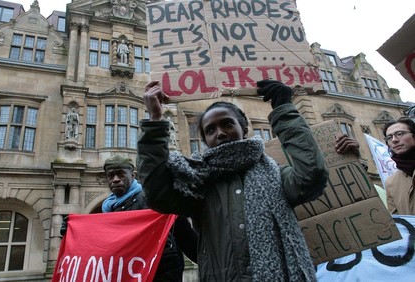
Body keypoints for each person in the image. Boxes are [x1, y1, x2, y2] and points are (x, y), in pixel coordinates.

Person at [138, 80, 329, 281]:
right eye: (210, 130)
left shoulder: (276, 174)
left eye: (227, 124)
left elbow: (312, 175)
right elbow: (157, 194)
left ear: (244, 128)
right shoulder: (198, 184)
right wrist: (155, 121)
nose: (220, 133)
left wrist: (283, 109)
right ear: (206, 141)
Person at [61, 155, 198, 281]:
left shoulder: (154, 199)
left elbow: (184, 234)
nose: (115, 179)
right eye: (111, 175)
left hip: (160, 273)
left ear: (133, 175)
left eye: (121, 174)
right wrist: (74, 232)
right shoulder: (108, 209)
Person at [382, 117, 415, 215]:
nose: (394, 140)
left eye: (399, 134)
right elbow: (398, 223)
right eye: (389, 137)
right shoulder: (391, 183)